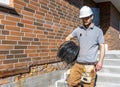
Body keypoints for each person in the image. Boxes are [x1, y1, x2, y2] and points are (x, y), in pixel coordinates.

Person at [65, 6, 105, 87]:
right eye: (83, 18)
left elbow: (102, 47)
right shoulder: (78, 30)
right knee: (71, 82)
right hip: (78, 64)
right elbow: (68, 37)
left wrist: (100, 62)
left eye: (87, 17)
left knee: (88, 86)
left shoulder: (98, 31)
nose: (85, 19)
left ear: (92, 17)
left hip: (89, 65)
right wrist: (70, 47)